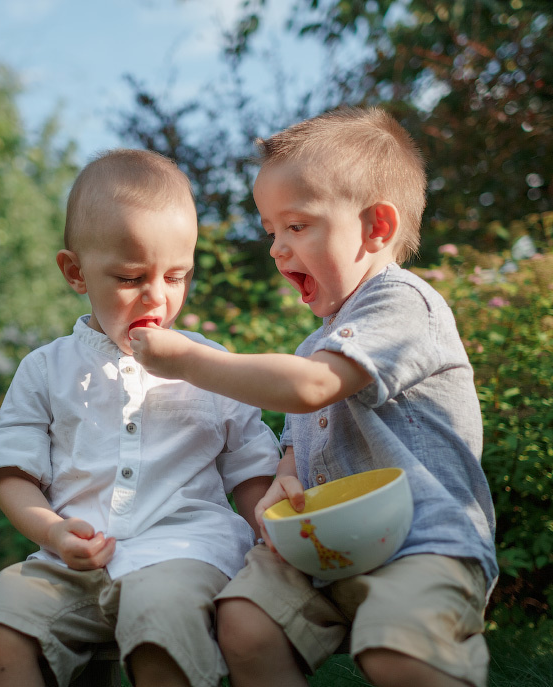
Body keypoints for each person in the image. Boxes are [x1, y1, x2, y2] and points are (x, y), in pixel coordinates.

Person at [129, 107, 498, 687]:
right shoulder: (316, 341)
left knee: (397, 651)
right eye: (270, 230)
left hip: (423, 542)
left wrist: (186, 359)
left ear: (377, 227)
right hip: (329, 548)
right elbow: (305, 433)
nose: (277, 249)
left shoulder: (403, 305)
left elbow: (311, 391)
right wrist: (285, 474)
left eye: (296, 226)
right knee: (246, 621)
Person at [0, 148, 280, 687]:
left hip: (184, 553)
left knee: (161, 621)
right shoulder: (45, 369)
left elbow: (251, 467)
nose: (157, 297)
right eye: (131, 278)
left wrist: (273, 541)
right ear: (75, 272)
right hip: (69, 563)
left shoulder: (210, 364)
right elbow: (14, 475)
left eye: (176, 276)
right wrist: (56, 531)